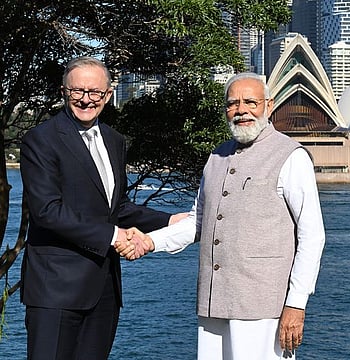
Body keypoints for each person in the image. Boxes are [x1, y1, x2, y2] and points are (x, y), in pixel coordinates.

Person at [118, 72, 326, 359]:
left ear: (269, 105)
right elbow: (197, 222)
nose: (241, 110)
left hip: (265, 308)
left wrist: (296, 303)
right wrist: (149, 242)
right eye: (233, 103)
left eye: (250, 102)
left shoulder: (292, 156)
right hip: (213, 303)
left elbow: (312, 236)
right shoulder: (216, 157)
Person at [20, 56, 180, 360]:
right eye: (77, 91)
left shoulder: (113, 140)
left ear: (107, 96)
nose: (86, 99)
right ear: (64, 92)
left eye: (95, 92)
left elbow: (116, 208)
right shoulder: (40, 140)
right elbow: (47, 211)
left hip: (104, 290)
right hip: (55, 291)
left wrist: (171, 220)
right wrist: (115, 236)